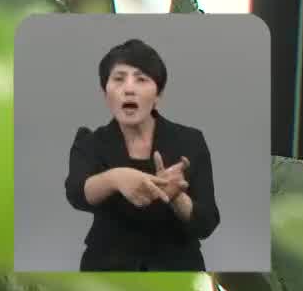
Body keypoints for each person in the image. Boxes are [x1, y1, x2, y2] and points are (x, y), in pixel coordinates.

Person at [64, 38, 220, 270]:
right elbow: (77, 193)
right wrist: (116, 178)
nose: (129, 89)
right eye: (118, 79)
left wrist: (176, 196)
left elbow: (206, 223)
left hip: (176, 271)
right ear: (105, 92)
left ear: (157, 95)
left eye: (141, 79)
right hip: (108, 271)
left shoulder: (190, 141)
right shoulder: (91, 142)